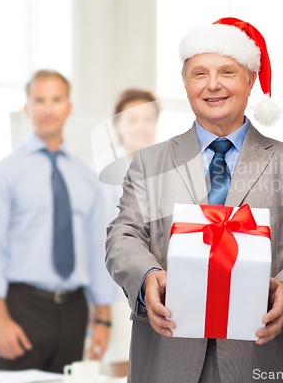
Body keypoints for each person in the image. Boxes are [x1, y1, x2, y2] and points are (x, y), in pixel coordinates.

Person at [105, 17, 283, 383]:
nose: (212, 85)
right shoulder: (149, 163)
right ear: (185, 84)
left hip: (259, 354)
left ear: (250, 79)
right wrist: (147, 275)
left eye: (227, 72)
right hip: (168, 355)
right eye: (199, 73)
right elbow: (122, 235)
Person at [0, 70, 116, 373]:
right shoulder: (5, 174)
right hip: (21, 310)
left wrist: (103, 318)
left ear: (69, 107)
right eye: (39, 100)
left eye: (56, 99)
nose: (48, 109)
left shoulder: (86, 178)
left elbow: (95, 251)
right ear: (27, 108)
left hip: (75, 313)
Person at [101, 89, 160, 377]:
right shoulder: (102, 175)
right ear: (117, 125)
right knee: (119, 370)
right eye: (132, 119)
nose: (141, 126)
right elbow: (95, 242)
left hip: (158, 291)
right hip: (113, 293)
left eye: (148, 118)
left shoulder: (166, 170)